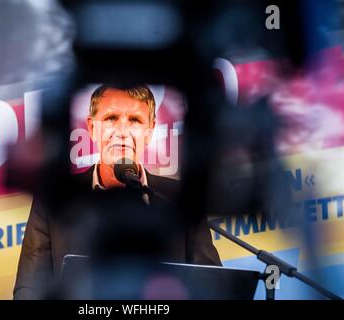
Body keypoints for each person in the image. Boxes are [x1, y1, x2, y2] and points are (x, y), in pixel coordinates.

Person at [13, 84, 221, 299]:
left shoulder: (179, 198)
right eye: (111, 118)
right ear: (92, 128)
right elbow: (29, 289)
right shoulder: (55, 197)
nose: (122, 132)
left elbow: (213, 285)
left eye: (134, 120)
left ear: (149, 131)